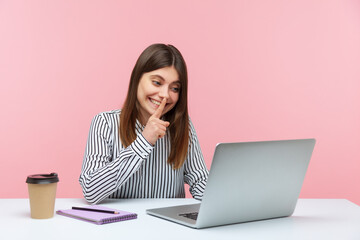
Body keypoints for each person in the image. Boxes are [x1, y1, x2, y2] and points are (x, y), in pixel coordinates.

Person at [79, 43, 209, 204]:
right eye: (156, 82)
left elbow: (200, 180)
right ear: (137, 78)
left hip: (169, 227)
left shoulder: (182, 126)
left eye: (174, 88)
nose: (165, 95)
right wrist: (144, 141)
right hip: (119, 225)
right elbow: (91, 191)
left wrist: (229, 200)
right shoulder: (105, 123)